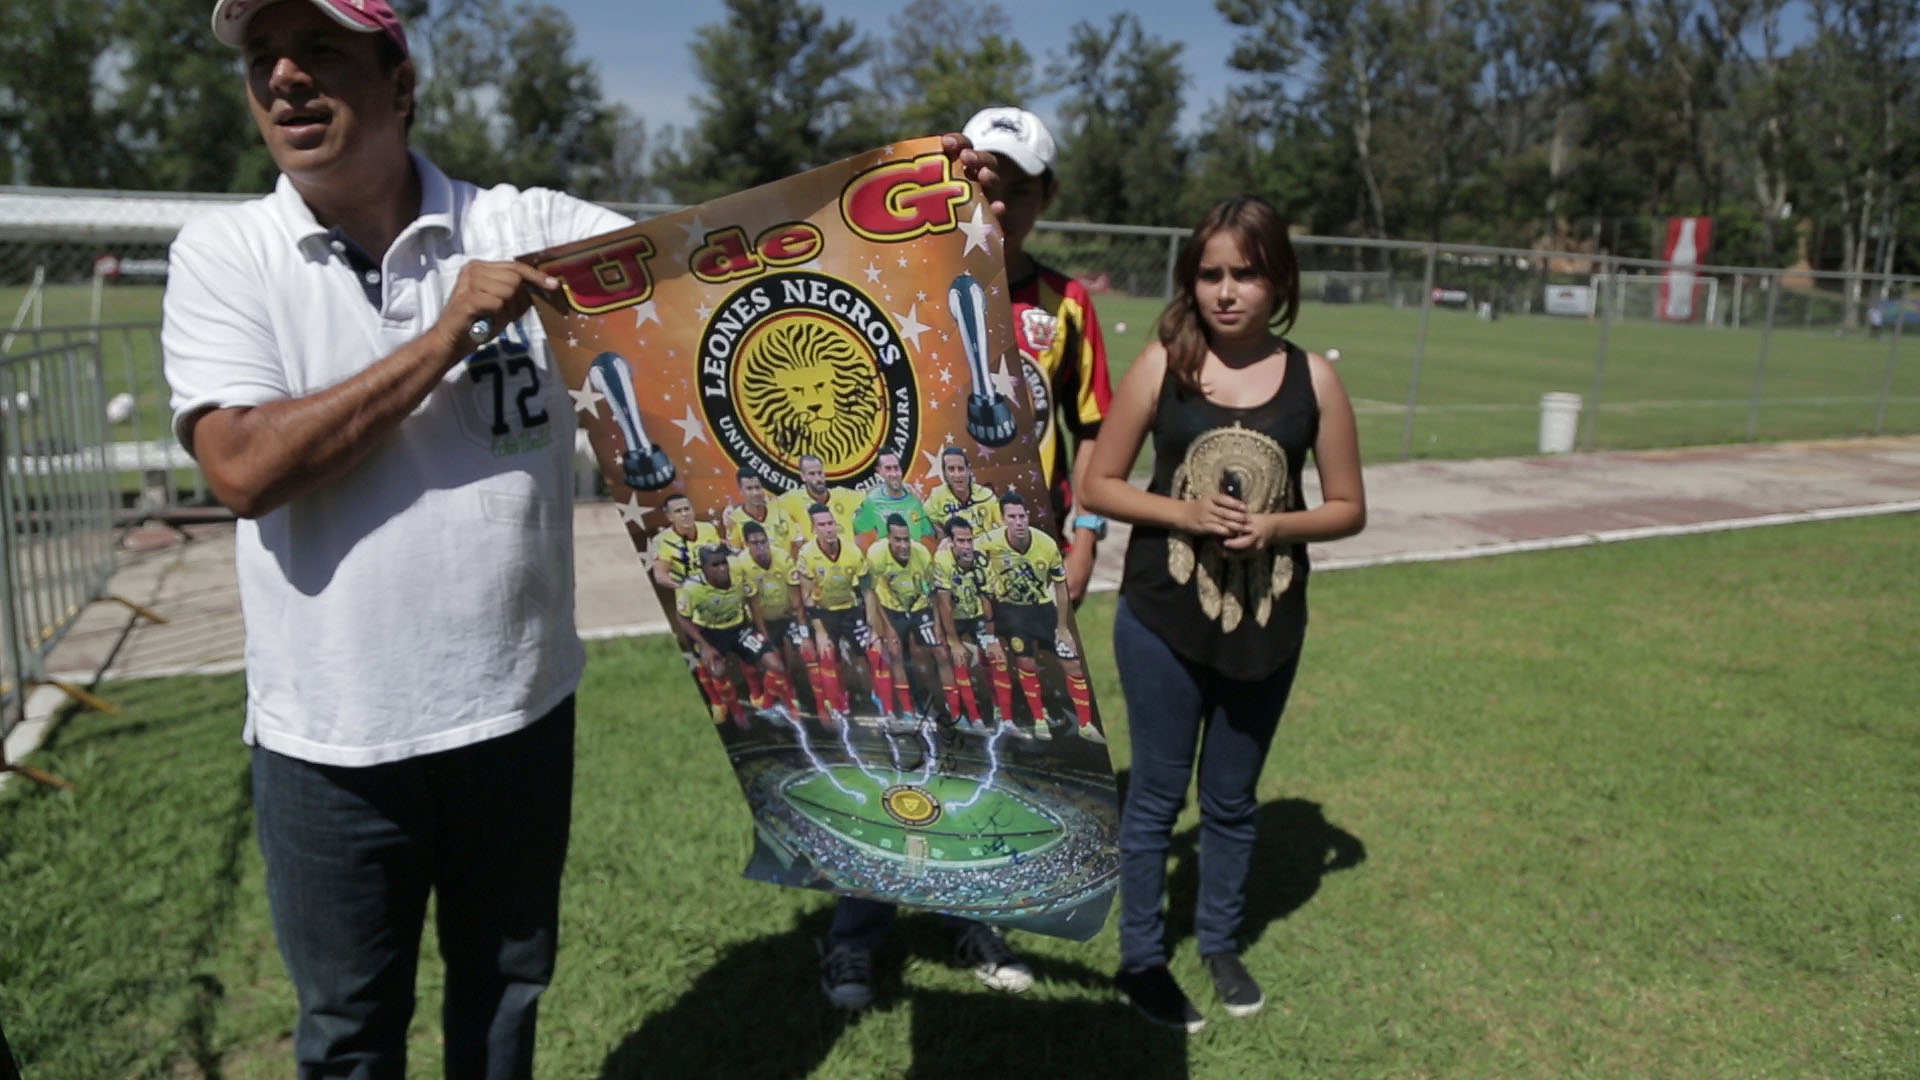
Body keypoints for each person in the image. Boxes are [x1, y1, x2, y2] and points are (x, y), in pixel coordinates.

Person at [160, 0, 635, 1074]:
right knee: (349, 1032)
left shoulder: (518, 226)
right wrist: (448, 333)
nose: (284, 77)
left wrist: (928, 202)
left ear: (401, 83)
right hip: (330, 743)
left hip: (516, 714)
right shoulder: (226, 252)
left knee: (505, 1005)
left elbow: (717, 259)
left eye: (321, 49)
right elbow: (245, 467)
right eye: (261, 57)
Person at [1079, 196, 1366, 1031]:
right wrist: (1186, 514)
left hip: (1267, 624)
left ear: (1280, 280)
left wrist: (1275, 525)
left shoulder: (1315, 379)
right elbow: (1099, 485)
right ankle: (1142, 959)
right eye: (1211, 274)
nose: (1227, 291)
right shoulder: (1163, 362)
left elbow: (1348, 506)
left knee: (1234, 802)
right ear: (1190, 281)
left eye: (1246, 273)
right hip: (1162, 619)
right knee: (1156, 799)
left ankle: (1219, 941)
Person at [961, 106, 1114, 604]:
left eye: (1020, 189)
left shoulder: (1068, 301)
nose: (999, 203)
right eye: (987, 185)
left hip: (1037, 548)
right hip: (932, 547)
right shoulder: (917, 295)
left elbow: (1093, 429)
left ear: (1049, 194)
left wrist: (1085, 543)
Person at [979, 492, 1104, 743]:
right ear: (1003, 520)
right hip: (1011, 611)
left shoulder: (1046, 544)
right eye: (1012, 517)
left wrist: (1062, 626)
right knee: (1025, 662)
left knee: (1073, 663)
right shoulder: (988, 542)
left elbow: (1060, 586)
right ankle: (1038, 719)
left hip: (1042, 610)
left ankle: (1086, 724)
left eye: (1022, 516)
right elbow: (964, 551)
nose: (1018, 521)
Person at [677, 545, 801, 729]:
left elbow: (753, 602)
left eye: (723, 563)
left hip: (740, 628)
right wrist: (704, 645)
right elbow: (682, 617)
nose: (722, 568)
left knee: (776, 665)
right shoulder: (691, 588)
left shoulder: (738, 574)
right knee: (718, 671)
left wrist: (763, 634)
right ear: (704, 568)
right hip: (711, 633)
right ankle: (736, 711)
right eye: (715, 565)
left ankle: (766, 704)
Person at [865, 513, 950, 728]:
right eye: (898, 540)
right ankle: (909, 711)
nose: (903, 545)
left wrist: (938, 626)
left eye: (906, 539)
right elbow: (872, 592)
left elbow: (932, 593)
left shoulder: (921, 554)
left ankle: (949, 708)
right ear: (889, 539)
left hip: (919, 607)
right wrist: (885, 628)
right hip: (890, 609)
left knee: (940, 650)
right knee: (894, 651)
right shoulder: (876, 555)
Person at [931, 517, 1007, 733]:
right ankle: (970, 717)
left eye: (969, 540)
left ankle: (1002, 714)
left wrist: (990, 639)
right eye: (961, 541)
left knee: (995, 657)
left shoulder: (982, 561)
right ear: (951, 542)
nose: (966, 546)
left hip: (976, 615)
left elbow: (987, 601)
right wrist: (954, 642)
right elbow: (943, 605)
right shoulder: (942, 562)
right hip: (953, 617)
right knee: (956, 658)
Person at [777, 455, 866, 547]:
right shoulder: (792, 499)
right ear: (803, 476)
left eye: (820, 473)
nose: (818, 478)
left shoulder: (842, 494)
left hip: (848, 557)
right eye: (812, 474)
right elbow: (769, 505)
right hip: (815, 558)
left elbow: (868, 495)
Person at [852, 450, 935, 547]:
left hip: (914, 560)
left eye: (896, 468)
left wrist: (924, 505)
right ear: (879, 471)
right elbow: (854, 530)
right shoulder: (872, 500)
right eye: (888, 468)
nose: (894, 474)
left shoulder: (915, 499)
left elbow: (932, 534)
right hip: (887, 560)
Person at [925, 445, 1001, 542]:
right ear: (944, 473)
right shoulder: (937, 495)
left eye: (961, 469)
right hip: (955, 553)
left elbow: (1003, 526)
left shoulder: (986, 495)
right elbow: (924, 520)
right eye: (951, 469)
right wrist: (944, 538)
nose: (957, 475)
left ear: (968, 470)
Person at [726, 469, 799, 554]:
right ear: (741, 491)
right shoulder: (734, 520)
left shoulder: (779, 511)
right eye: (749, 489)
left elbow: (796, 543)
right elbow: (736, 553)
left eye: (758, 487)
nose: (755, 493)